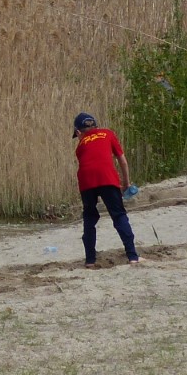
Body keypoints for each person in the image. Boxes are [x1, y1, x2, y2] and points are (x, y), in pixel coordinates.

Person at [73, 112, 140, 268]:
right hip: (107, 178)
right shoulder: (108, 134)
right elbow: (122, 161)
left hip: (86, 180)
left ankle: (90, 260)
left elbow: (88, 163)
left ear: (78, 132)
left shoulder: (80, 146)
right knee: (118, 215)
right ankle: (132, 256)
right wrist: (126, 183)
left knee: (89, 218)